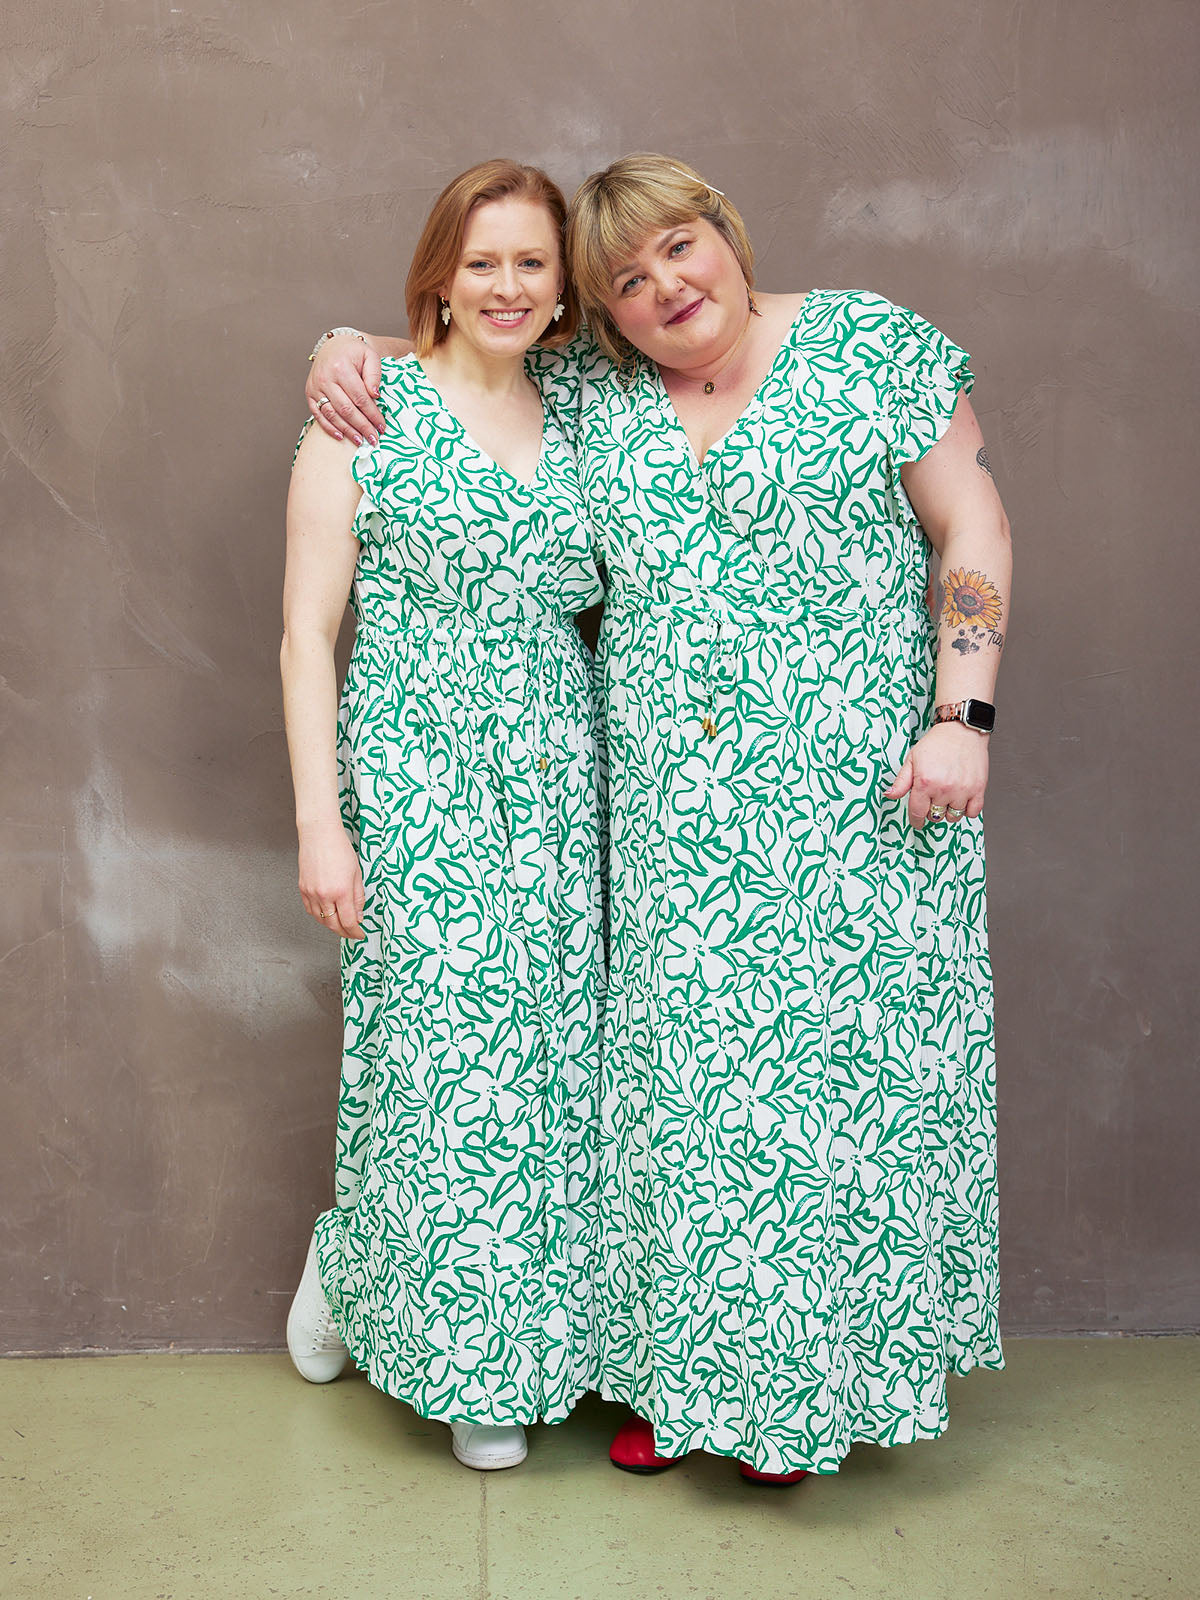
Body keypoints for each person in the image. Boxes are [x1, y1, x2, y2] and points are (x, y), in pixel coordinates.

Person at [304, 152, 1012, 1485]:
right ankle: (690, 1375)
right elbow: (454, 359)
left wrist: (961, 716)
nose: (663, 287)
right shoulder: (596, 387)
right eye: (624, 279)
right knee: (681, 1097)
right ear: (604, 310)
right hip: (662, 812)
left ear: (727, 234)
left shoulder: (871, 345)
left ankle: (798, 1396)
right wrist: (342, 345)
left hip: (860, 792)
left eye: (680, 248)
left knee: (832, 1091)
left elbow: (972, 526)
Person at [281, 160, 605, 1473]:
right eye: (484, 263)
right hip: (416, 783)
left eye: (534, 263)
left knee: (548, 1076)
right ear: (440, 273)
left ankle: (381, 1277)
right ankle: (467, 1361)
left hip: (568, 788)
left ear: (565, 283)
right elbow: (307, 634)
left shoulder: (593, 412)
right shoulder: (366, 411)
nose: (509, 287)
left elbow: (748, 309)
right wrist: (321, 821)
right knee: (451, 1071)